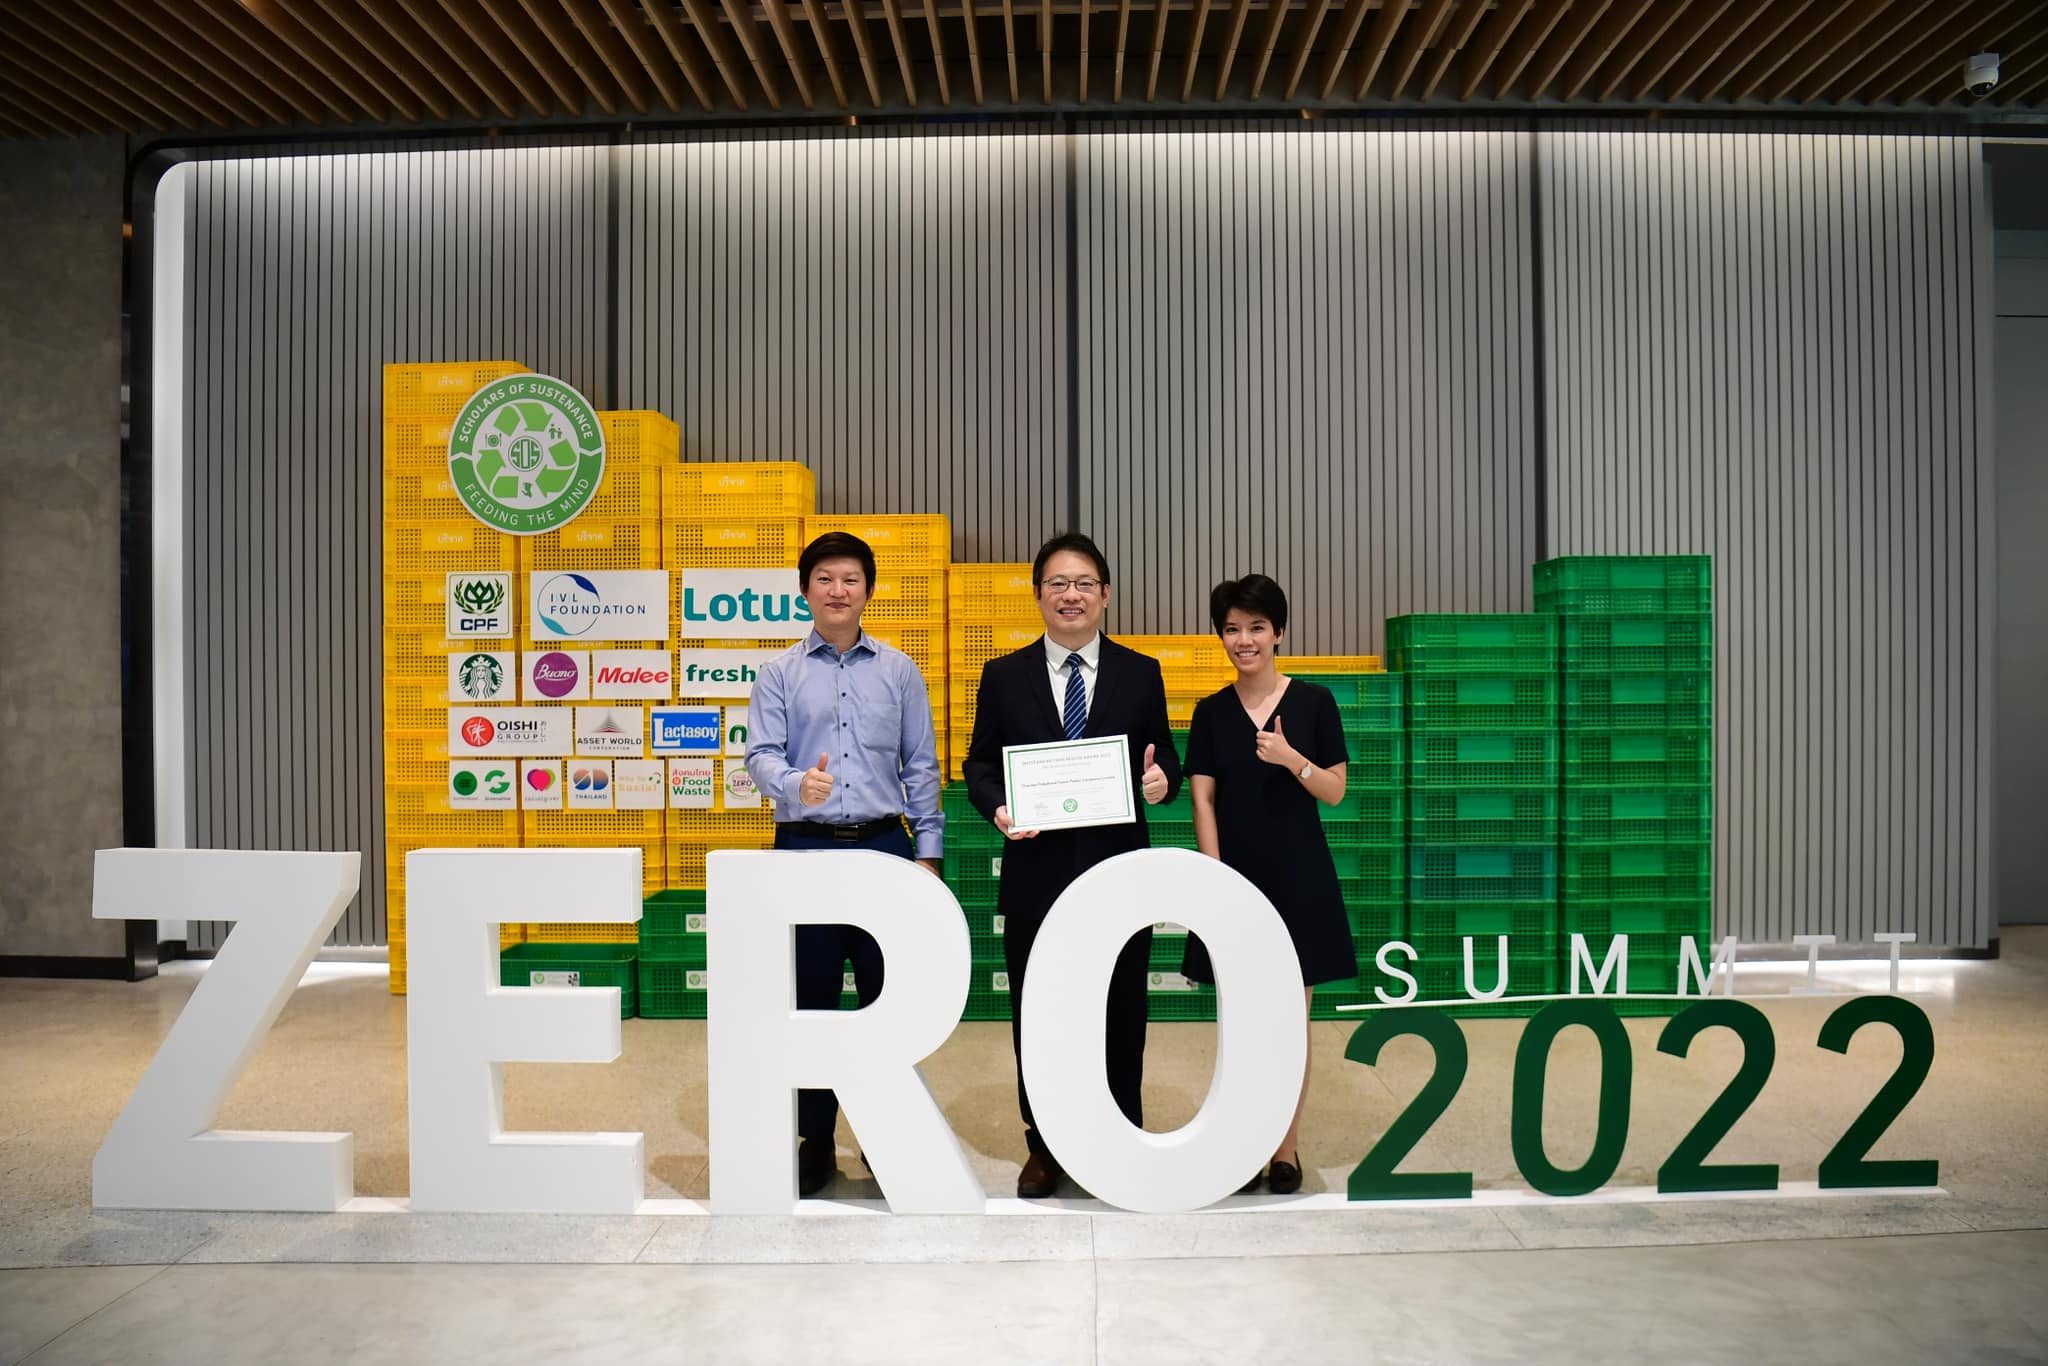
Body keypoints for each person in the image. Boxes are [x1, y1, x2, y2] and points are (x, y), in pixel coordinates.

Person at [962, 532, 1180, 1198]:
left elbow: (1165, 758)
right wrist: (999, 808)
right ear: (1037, 595)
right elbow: (978, 765)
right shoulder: (1004, 675)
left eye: (1084, 583)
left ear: (1105, 595)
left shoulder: (1141, 672)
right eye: (1057, 583)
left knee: (1122, 1007)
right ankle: (1046, 1144)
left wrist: (1160, 783)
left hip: (1119, 875)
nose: (1071, 595)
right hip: (1037, 873)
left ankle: (1122, 1134)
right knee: (1040, 1012)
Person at [745, 531, 944, 1197]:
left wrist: (929, 853)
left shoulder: (899, 670)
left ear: (869, 590)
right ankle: (815, 1140)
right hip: (805, 851)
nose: (838, 590)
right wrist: (795, 783)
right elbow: (759, 756)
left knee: (888, 997)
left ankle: (888, 1136)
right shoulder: (778, 673)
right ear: (805, 590)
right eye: (825, 578)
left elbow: (921, 766)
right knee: (813, 1000)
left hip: (885, 848)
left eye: (851, 579)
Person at [1180, 574, 1353, 1196]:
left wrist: (1291, 759)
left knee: (1290, 1021)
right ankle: (1243, 1144)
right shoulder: (1209, 712)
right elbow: (1203, 800)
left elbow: (1335, 790)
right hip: (1236, 880)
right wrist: (1218, 881)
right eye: (1231, 629)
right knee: (1240, 1021)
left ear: (1279, 631)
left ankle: (1285, 1147)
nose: (1244, 640)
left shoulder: (1313, 703)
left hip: (1299, 878)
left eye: (1256, 627)